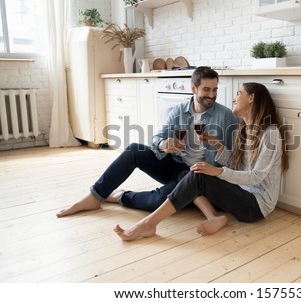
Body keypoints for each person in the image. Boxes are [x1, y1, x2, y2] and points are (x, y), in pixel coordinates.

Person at [113, 82, 289, 241]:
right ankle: (213, 217)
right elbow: (238, 167)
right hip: (241, 193)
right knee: (190, 172)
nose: (234, 98)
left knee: (199, 177)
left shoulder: (270, 133)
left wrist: (218, 171)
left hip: (256, 206)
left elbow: (256, 176)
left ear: (251, 98)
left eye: (239, 93)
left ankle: (148, 224)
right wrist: (216, 143)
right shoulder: (243, 130)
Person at [57, 66, 239, 217]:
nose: (211, 95)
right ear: (193, 89)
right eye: (206, 89)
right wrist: (163, 144)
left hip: (199, 175)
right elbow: (157, 139)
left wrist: (216, 144)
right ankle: (94, 196)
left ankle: (121, 196)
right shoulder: (178, 111)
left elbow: (232, 160)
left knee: (160, 202)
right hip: (177, 165)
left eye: (214, 89)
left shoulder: (225, 116)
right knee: (134, 150)